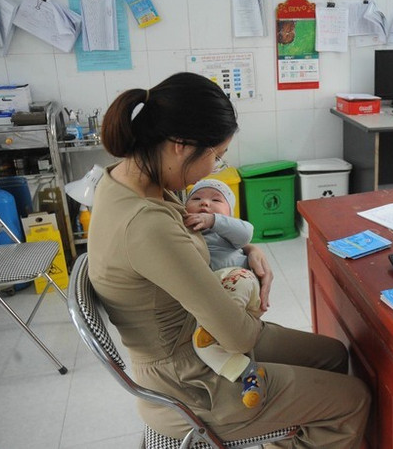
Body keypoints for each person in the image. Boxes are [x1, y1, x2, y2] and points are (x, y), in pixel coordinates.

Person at [87, 72, 370, 447]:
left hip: (199, 336)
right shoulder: (146, 223)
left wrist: (250, 252)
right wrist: (246, 292)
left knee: (333, 355)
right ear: (180, 145)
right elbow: (237, 335)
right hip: (190, 378)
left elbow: (190, 252)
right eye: (216, 156)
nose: (214, 168)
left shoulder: (132, 182)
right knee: (352, 400)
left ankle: (287, 433)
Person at [183, 178, 266, 407]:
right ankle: (248, 373)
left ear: (229, 211)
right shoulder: (185, 231)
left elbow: (246, 234)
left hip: (242, 282)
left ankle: (223, 326)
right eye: (196, 198)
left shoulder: (227, 231)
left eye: (215, 200)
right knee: (201, 345)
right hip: (217, 298)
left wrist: (214, 221)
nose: (205, 204)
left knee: (236, 282)